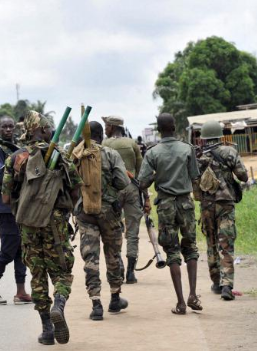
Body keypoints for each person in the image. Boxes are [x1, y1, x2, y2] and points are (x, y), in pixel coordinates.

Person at [2, 111, 82, 345]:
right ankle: (59, 302)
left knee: (37, 274)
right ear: (45, 131)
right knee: (62, 271)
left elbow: (6, 198)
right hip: (54, 222)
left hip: (27, 223)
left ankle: (47, 329)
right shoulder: (59, 155)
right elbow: (76, 189)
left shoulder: (16, 158)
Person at [138, 113, 202, 315]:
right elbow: (195, 178)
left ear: (158, 129)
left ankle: (181, 303)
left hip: (165, 205)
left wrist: (159, 175)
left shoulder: (152, 153)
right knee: (190, 247)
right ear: (174, 127)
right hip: (185, 204)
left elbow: (142, 183)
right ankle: (193, 294)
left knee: (172, 251)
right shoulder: (187, 149)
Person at [72, 121, 130, 321]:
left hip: (85, 212)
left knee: (91, 258)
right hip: (109, 212)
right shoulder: (110, 154)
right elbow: (123, 181)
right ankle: (115, 297)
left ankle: (96, 303)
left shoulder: (76, 155)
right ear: (100, 135)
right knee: (113, 254)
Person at [195, 120, 248, 300]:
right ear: (219, 134)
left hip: (206, 205)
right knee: (226, 244)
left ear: (203, 137)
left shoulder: (198, 155)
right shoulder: (229, 152)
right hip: (225, 204)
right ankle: (227, 285)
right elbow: (243, 175)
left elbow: (194, 182)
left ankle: (216, 282)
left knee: (211, 243)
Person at [0, 116, 31, 305]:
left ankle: (21, 292)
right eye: (4, 127)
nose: (8, 129)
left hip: (21, 206)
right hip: (5, 208)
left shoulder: (18, 148)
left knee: (22, 251)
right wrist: (19, 158)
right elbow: (0, 173)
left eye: (11, 126)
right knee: (7, 252)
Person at [102, 116, 150, 284]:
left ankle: (119, 265)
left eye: (106, 126)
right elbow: (142, 174)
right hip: (132, 190)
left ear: (113, 127)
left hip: (113, 191)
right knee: (132, 232)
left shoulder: (105, 145)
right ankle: (130, 272)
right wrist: (147, 198)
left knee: (114, 230)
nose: (105, 129)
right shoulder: (132, 144)